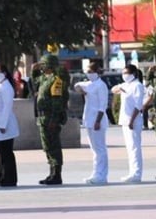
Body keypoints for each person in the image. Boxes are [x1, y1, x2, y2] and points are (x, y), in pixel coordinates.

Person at [31, 54, 69, 185]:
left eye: (43, 64)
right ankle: (51, 173)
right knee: (47, 146)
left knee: (54, 146)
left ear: (49, 66)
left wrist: (54, 119)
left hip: (50, 117)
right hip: (42, 117)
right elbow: (35, 81)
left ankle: (57, 174)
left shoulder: (56, 80)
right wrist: (33, 70)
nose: (41, 67)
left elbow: (57, 101)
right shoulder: (44, 78)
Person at [74, 62, 109, 185]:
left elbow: (103, 105)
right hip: (88, 120)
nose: (88, 74)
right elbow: (76, 86)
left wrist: (98, 121)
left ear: (96, 72)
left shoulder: (101, 86)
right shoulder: (89, 84)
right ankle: (95, 173)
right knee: (94, 149)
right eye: (87, 72)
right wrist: (81, 90)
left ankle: (102, 175)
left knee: (100, 149)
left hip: (97, 121)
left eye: (90, 71)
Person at [112, 64, 145, 183]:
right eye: (123, 73)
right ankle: (132, 172)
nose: (124, 75)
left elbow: (138, 105)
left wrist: (131, 121)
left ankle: (136, 173)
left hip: (133, 120)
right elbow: (113, 89)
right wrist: (120, 89)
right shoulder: (126, 85)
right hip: (125, 120)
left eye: (127, 73)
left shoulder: (137, 86)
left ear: (133, 74)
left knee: (135, 147)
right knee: (130, 148)